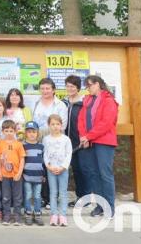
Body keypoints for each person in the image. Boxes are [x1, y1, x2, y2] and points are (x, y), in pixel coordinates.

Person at [78, 75, 119, 218]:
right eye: (87, 86)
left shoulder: (109, 101)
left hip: (104, 142)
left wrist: (89, 136)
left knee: (105, 174)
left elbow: (106, 123)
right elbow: (81, 120)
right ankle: (100, 205)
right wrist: (84, 136)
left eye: (89, 85)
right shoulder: (87, 101)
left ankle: (110, 207)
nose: (88, 89)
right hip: (89, 142)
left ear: (98, 84)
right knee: (94, 174)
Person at [62, 75, 88, 207]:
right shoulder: (63, 102)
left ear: (78, 88)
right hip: (66, 143)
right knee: (74, 170)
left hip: (80, 142)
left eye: (72, 86)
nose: (69, 88)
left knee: (82, 169)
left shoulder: (84, 103)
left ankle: (85, 198)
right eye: (67, 86)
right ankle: (79, 197)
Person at [43, 114, 72, 226]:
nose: (55, 126)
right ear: (49, 125)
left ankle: (63, 215)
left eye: (57, 124)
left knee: (63, 193)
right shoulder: (46, 139)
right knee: (53, 192)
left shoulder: (66, 139)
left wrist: (63, 167)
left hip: (63, 170)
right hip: (51, 169)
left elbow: (69, 154)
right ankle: (54, 215)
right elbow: (45, 154)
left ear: (61, 125)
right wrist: (48, 166)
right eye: (53, 124)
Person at [0, 120, 26, 226]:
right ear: (3, 131)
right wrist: (0, 172)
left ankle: (17, 216)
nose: (9, 133)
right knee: (6, 196)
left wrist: (19, 172)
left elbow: (22, 159)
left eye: (11, 131)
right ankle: (7, 215)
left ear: (14, 131)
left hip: (16, 175)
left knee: (17, 196)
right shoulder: (0, 144)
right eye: (6, 131)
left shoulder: (18, 144)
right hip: (5, 175)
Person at [22, 121, 45, 226]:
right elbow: (21, 161)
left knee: (37, 196)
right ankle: (28, 213)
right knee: (28, 195)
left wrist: (44, 175)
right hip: (26, 176)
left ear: (37, 133)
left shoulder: (41, 146)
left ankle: (37, 213)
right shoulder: (23, 146)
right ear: (25, 133)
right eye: (29, 131)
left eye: (34, 132)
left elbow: (44, 161)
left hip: (38, 176)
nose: (31, 134)